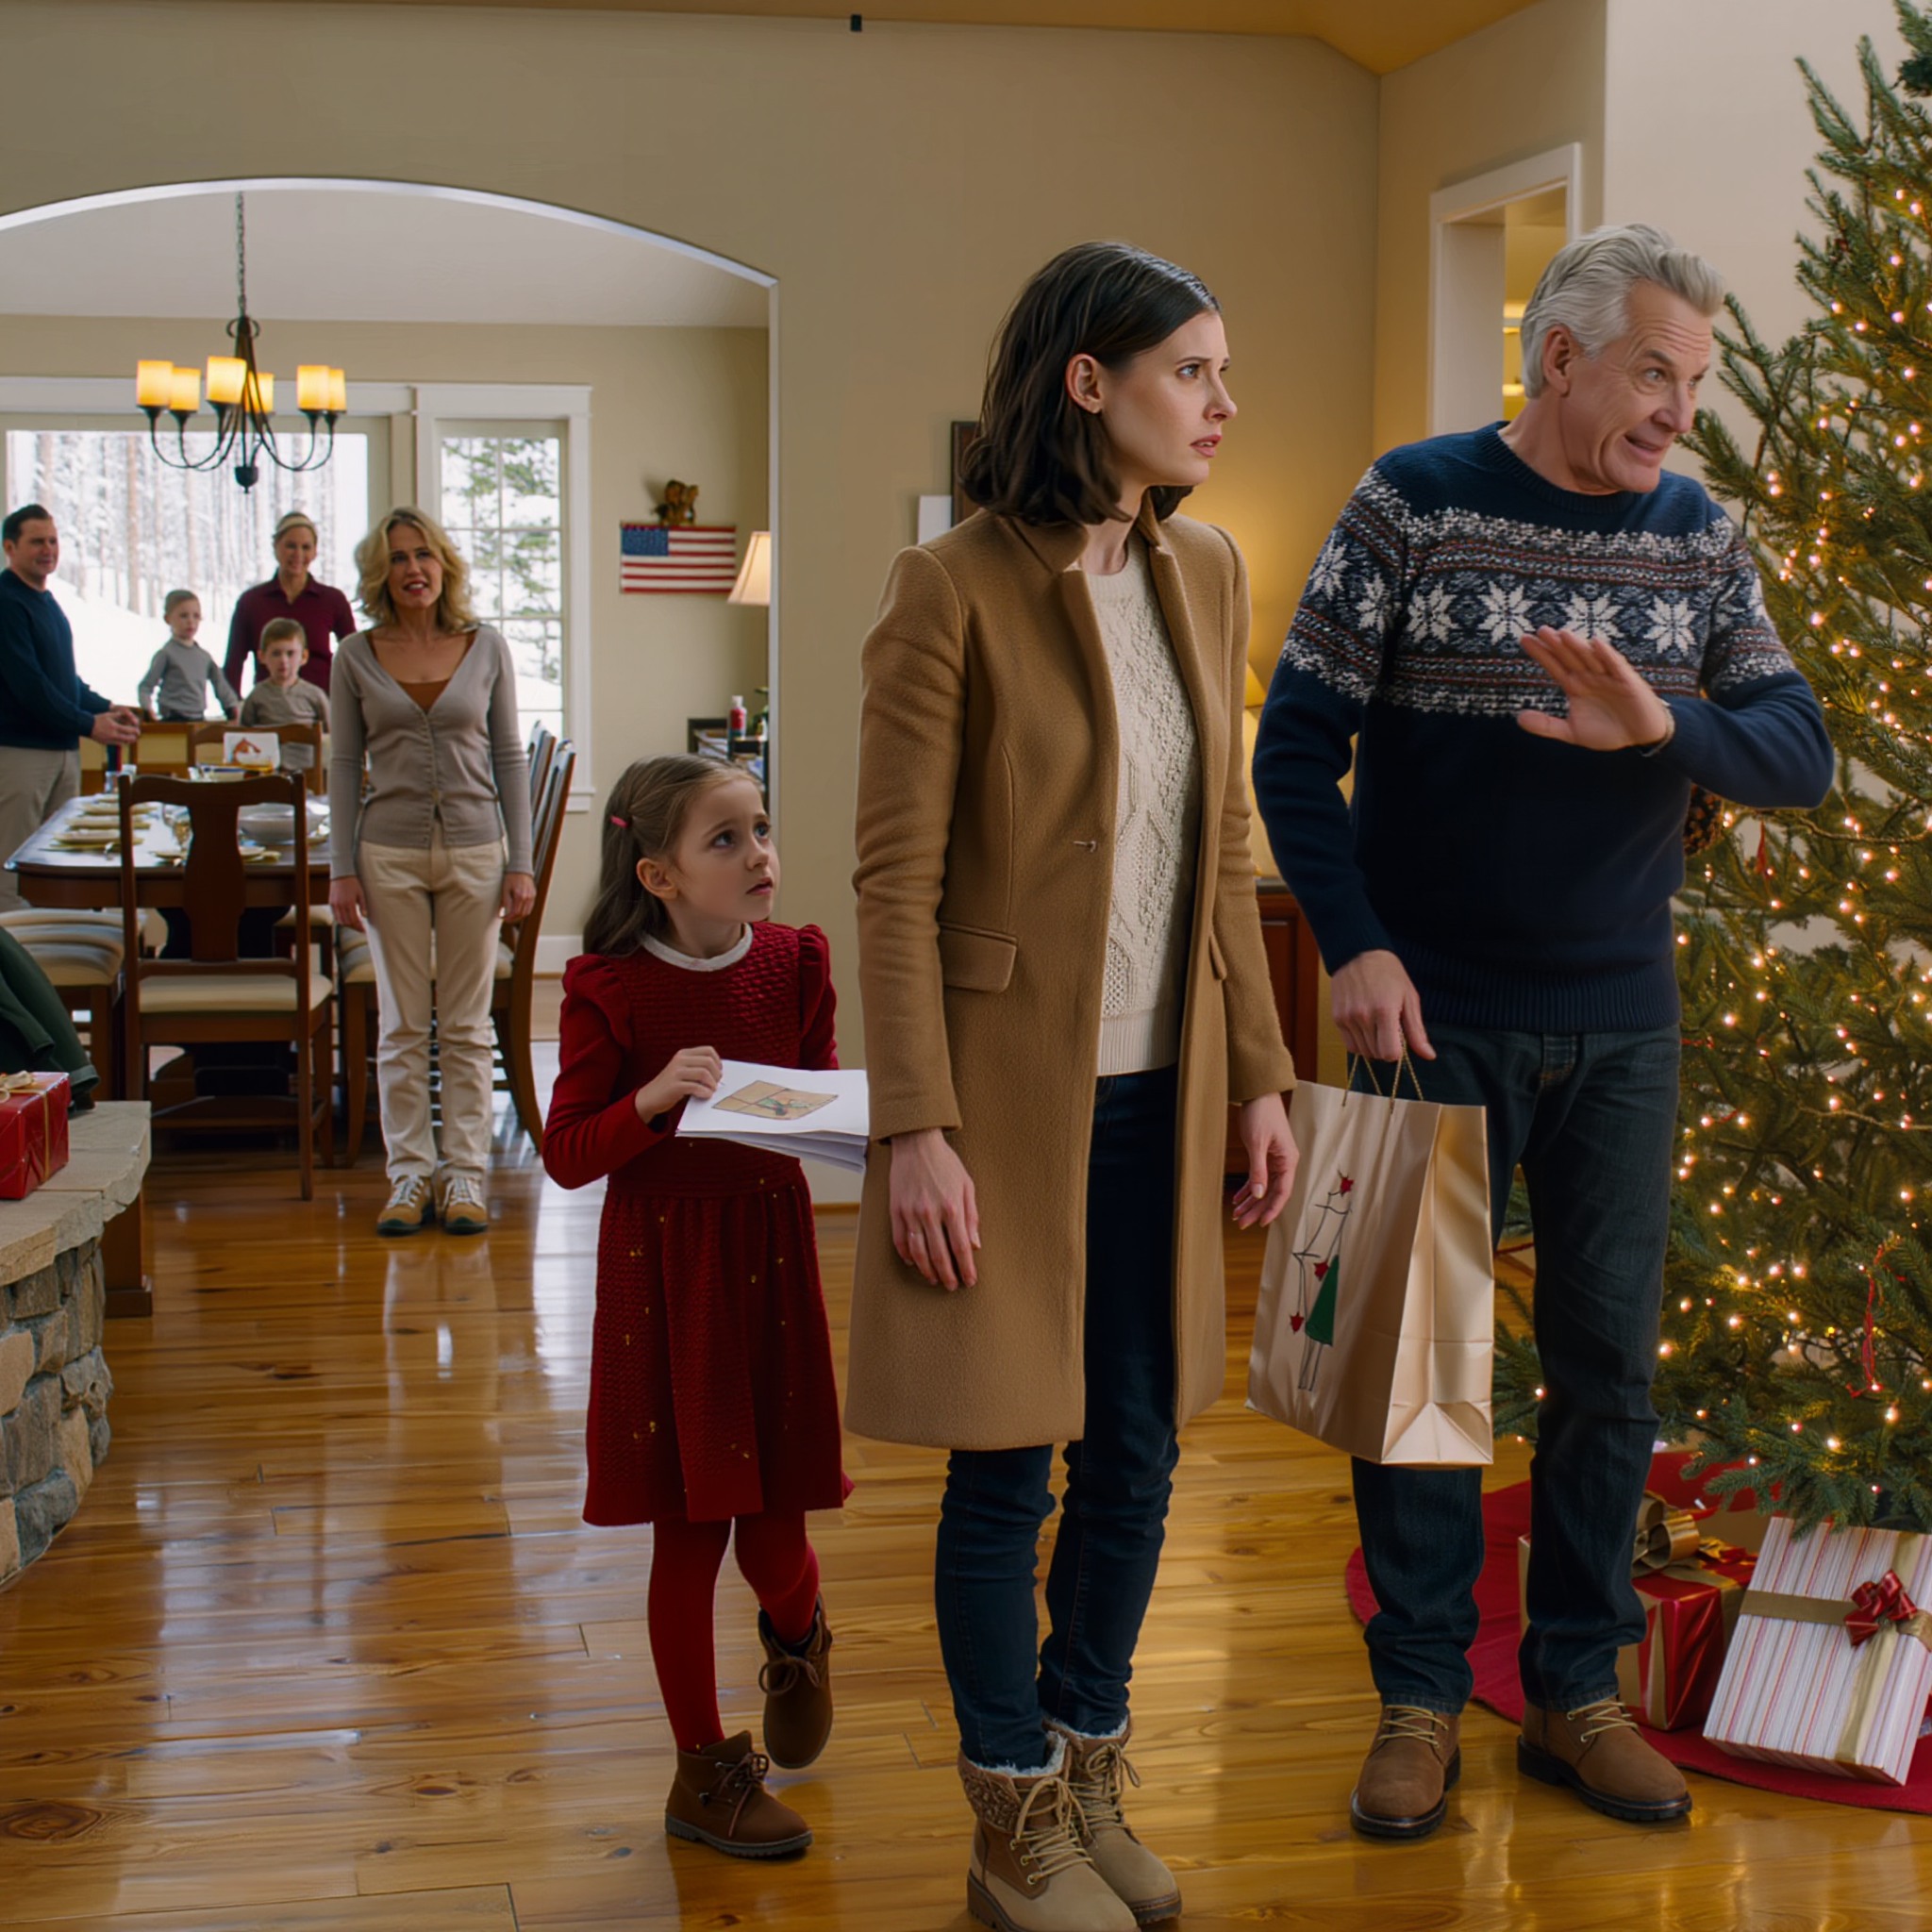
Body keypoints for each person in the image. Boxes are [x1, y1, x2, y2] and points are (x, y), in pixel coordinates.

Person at [1253, 225, 1835, 1841]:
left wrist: (1667, 722)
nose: (1676, 411)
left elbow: (1798, 750)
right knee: (1410, 1371)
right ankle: (1420, 1700)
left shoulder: (1697, 538)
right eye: (1653, 370)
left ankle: (1575, 1689)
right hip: (1424, 1004)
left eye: (1695, 381)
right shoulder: (1410, 500)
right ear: (1556, 356)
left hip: (1619, 1021)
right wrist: (1354, 946)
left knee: (1603, 1373)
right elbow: (1295, 748)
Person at [849, 242, 1298, 1932]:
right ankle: (1006, 1815)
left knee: (1135, 1452)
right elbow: (892, 879)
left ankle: (1088, 1763)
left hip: (1165, 1095)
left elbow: (1222, 846)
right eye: (1193, 369)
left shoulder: (1212, 574)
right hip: (1003, 1106)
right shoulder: (944, 583)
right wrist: (916, 1123)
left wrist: (1258, 1072)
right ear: (1088, 382)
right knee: (1002, 1461)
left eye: (1221, 370)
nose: (1222, 404)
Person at [542, 754, 844, 1860]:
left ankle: (799, 1631)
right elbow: (568, 1151)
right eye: (727, 839)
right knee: (689, 1529)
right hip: (662, 1278)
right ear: (658, 873)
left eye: (760, 828)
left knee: (775, 1532)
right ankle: (701, 1772)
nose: (759, 853)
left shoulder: (797, 960)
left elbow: (812, 1085)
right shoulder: (609, 985)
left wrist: (842, 1118)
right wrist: (652, 1097)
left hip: (769, 1260)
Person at [328, 508, 534, 1237]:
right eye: (397, 559)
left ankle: (466, 1179)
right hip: (387, 854)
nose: (413, 568)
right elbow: (345, 763)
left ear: (444, 566)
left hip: (478, 853)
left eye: (425, 555)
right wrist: (340, 868)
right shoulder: (354, 654)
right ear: (380, 574)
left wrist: (522, 861)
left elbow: (509, 756)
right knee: (405, 1024)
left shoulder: (485, 647)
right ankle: (410, 1176)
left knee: (469, 1027)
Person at [0, 504, 140, 913]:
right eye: (36, 541)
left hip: (62, 754)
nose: (48, 549)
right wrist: (89, 724)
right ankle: (15, 974)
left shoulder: (47, 602)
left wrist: (107, 708)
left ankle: (56, 966)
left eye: (53, 540)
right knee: (14, 873)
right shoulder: (7, 603)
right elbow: (31, 688)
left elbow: (64, 682)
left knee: (54, 867)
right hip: (21, 757)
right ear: (10, 547)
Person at [223, 509, 356, 697]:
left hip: (321, 710)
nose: (298, 554)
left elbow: (355, 657)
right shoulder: (251, 602)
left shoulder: (333, 600)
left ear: (315, 551)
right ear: (276, 547)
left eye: (306, 547)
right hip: (268, 710)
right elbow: (234, 662)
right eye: (291, 546)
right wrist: (234, 709)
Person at [240, 617, 331, 772]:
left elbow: (330, 736)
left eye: (290, 653)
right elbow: (244, 735)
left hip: (308, 771)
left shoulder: (315, 695)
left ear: (303, 657)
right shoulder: (256, 696)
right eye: (276, 653)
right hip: (268, 772)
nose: (283, 660)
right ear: (262, 656)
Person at [138, 590, 240, 722]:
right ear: (168, 619)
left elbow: (220, 684)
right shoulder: (166, 654)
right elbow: (146, 686)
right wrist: (147, 709)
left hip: (198, 718)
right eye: (184, 616)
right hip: (172, 719)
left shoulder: (204, 657)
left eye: (196, 616)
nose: (191, 621)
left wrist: (231, 706)